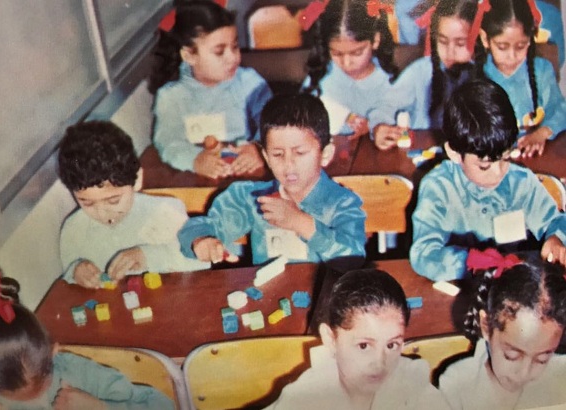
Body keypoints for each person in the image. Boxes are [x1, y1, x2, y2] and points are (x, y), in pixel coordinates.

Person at [178, 93, 366, 267]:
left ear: (325, 154)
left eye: (300, 153)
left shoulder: (342, 202)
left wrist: (301, 223)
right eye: (277, 154)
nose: (288, 164)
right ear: (266, 157)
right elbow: (201, 227)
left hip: (326, 292)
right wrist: (201, 241)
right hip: (268, 291)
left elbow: (353, 259)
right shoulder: (254, 198)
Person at [409, 79, 566, 282]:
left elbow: (555, 221)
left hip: (512, 288)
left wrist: (556, 237)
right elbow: (423, 254)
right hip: (461, 287)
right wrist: (470, 262)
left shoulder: (521, 182)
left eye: (505, 158)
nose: (498, 172)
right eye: (484, 166)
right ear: (454, 153)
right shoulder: (438, 187)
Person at [0, 271, 174, 410]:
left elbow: (164, 405)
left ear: (53, 351)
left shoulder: (79, 373)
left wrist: (100, 407)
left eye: (40, 386)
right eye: (9, 393)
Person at [266, 268, 450, 409]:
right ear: (330, 340)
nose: (380, 363)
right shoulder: (303, 399)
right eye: (364, 346)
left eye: (392, 345)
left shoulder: (410, 382)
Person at [58, 120, 208, 289]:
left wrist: (148, 257)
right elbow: (69, 278)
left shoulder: (166, 211)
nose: (102, 213)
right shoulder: (73, 229)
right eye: (87, 203)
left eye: (113, 201)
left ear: (137, 180)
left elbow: (201, 262)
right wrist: (75, 271)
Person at [150, 0, 273, 179]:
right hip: (199, 177)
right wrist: (195, 160)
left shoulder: (250, 83)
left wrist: (258, 148)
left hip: (247, 172)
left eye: (235, 47)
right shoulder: (171, 96)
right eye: (219, 52)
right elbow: (168, 142)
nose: (233, 57)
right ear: (189, 55)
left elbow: (272, 124)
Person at [438, 252, 566, 409]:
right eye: (511, 356)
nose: (524, 374)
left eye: (542, 359)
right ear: (486, 325)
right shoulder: (456, 387)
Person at [370, 0, 477, 150]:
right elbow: (386, 105)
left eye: (460, 43)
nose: (449, 52)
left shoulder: (485, 75)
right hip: (422, 155)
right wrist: (379, 126)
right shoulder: (421, 71)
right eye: (442, 41)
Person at [476, 0, 566, 157]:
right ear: (485, 39)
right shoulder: (474, 77)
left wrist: (542, 133)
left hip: (534, 159)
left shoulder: (541, 70)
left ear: (530, 39)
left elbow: (560, 110)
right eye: (502, 47)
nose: (512, 57)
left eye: (520, 46)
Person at [302, 0, 397, 139]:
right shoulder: (320, 76)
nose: (346, 63)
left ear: (376, 40)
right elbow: (303, 117)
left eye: (357, 53)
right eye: (336, 53)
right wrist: (344, 117)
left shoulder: (389, 81)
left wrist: (374, 126)